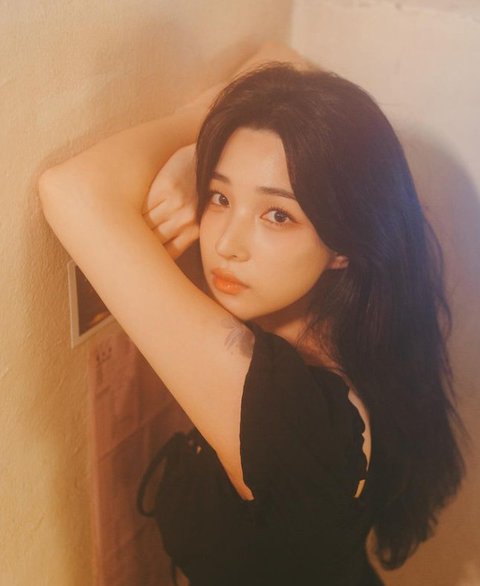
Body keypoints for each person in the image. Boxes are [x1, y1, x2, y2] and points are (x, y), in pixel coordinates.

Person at [39, 43, 466, 586]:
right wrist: (204, 155)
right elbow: (282, 59)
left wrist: (199, 135)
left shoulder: (282, 408)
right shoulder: (357, 328)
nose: (226, 244)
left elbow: (72, 191)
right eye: (219, 200)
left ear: (345, 244)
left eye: (277, 215)